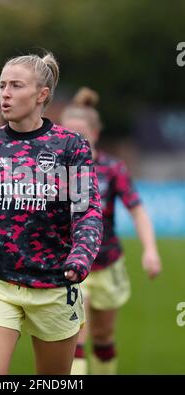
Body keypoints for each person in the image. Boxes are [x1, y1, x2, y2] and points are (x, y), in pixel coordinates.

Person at [0, 51, 103, 375]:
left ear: (42, 94)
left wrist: (81, 256)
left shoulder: (72, 146)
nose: (5, 93)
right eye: (2, 85)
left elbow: (87, 212)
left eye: (16, 85)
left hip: (55, 286)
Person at [60, 87, 162, 375]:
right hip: (71, 266)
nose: (76, 139)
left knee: (103, 339)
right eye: (69, 132)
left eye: (81, 132)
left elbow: (137, 210)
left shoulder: (112, 168)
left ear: (95, 133)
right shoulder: (53, 169)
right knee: (76, 337)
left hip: (108, 263)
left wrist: (151, 251)